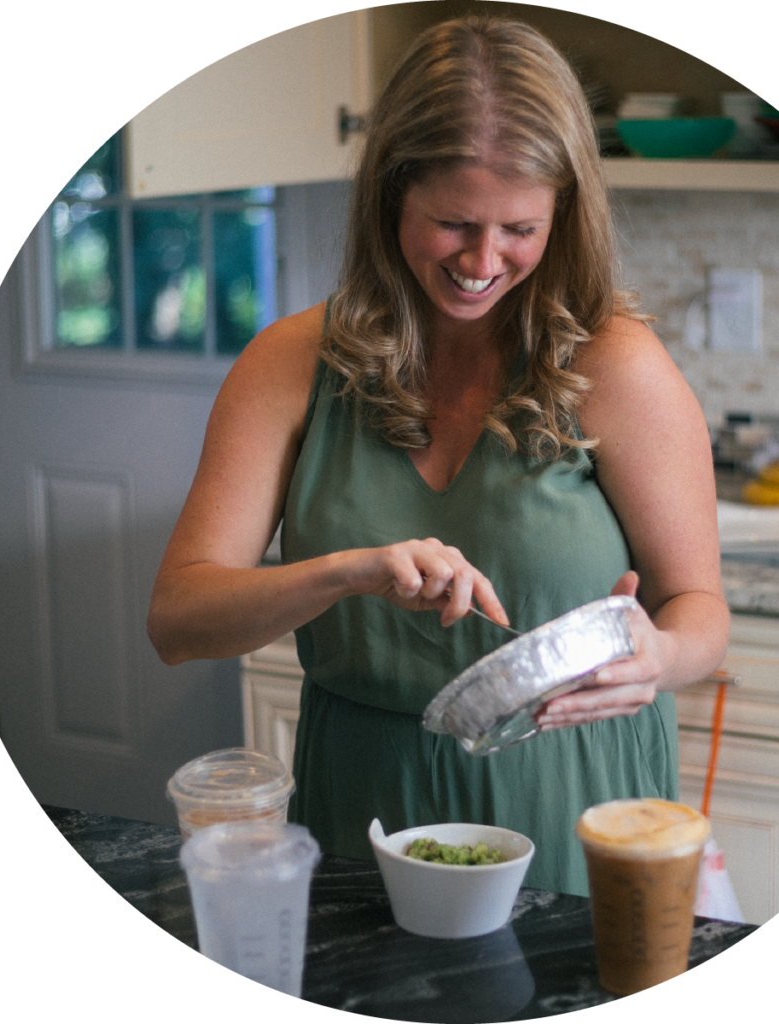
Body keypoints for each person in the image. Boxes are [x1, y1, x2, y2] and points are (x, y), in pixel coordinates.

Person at [147, 17, 729, 896]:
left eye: (520, 229)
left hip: (573, 808)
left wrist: (662, 657)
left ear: (564, 214)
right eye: (453, 223)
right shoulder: (289, 364)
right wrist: (345, 572)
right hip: (364, 809)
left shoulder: (616, 366)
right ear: (390, 198)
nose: (483, 262)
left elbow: (702, 610)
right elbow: (178, 621)